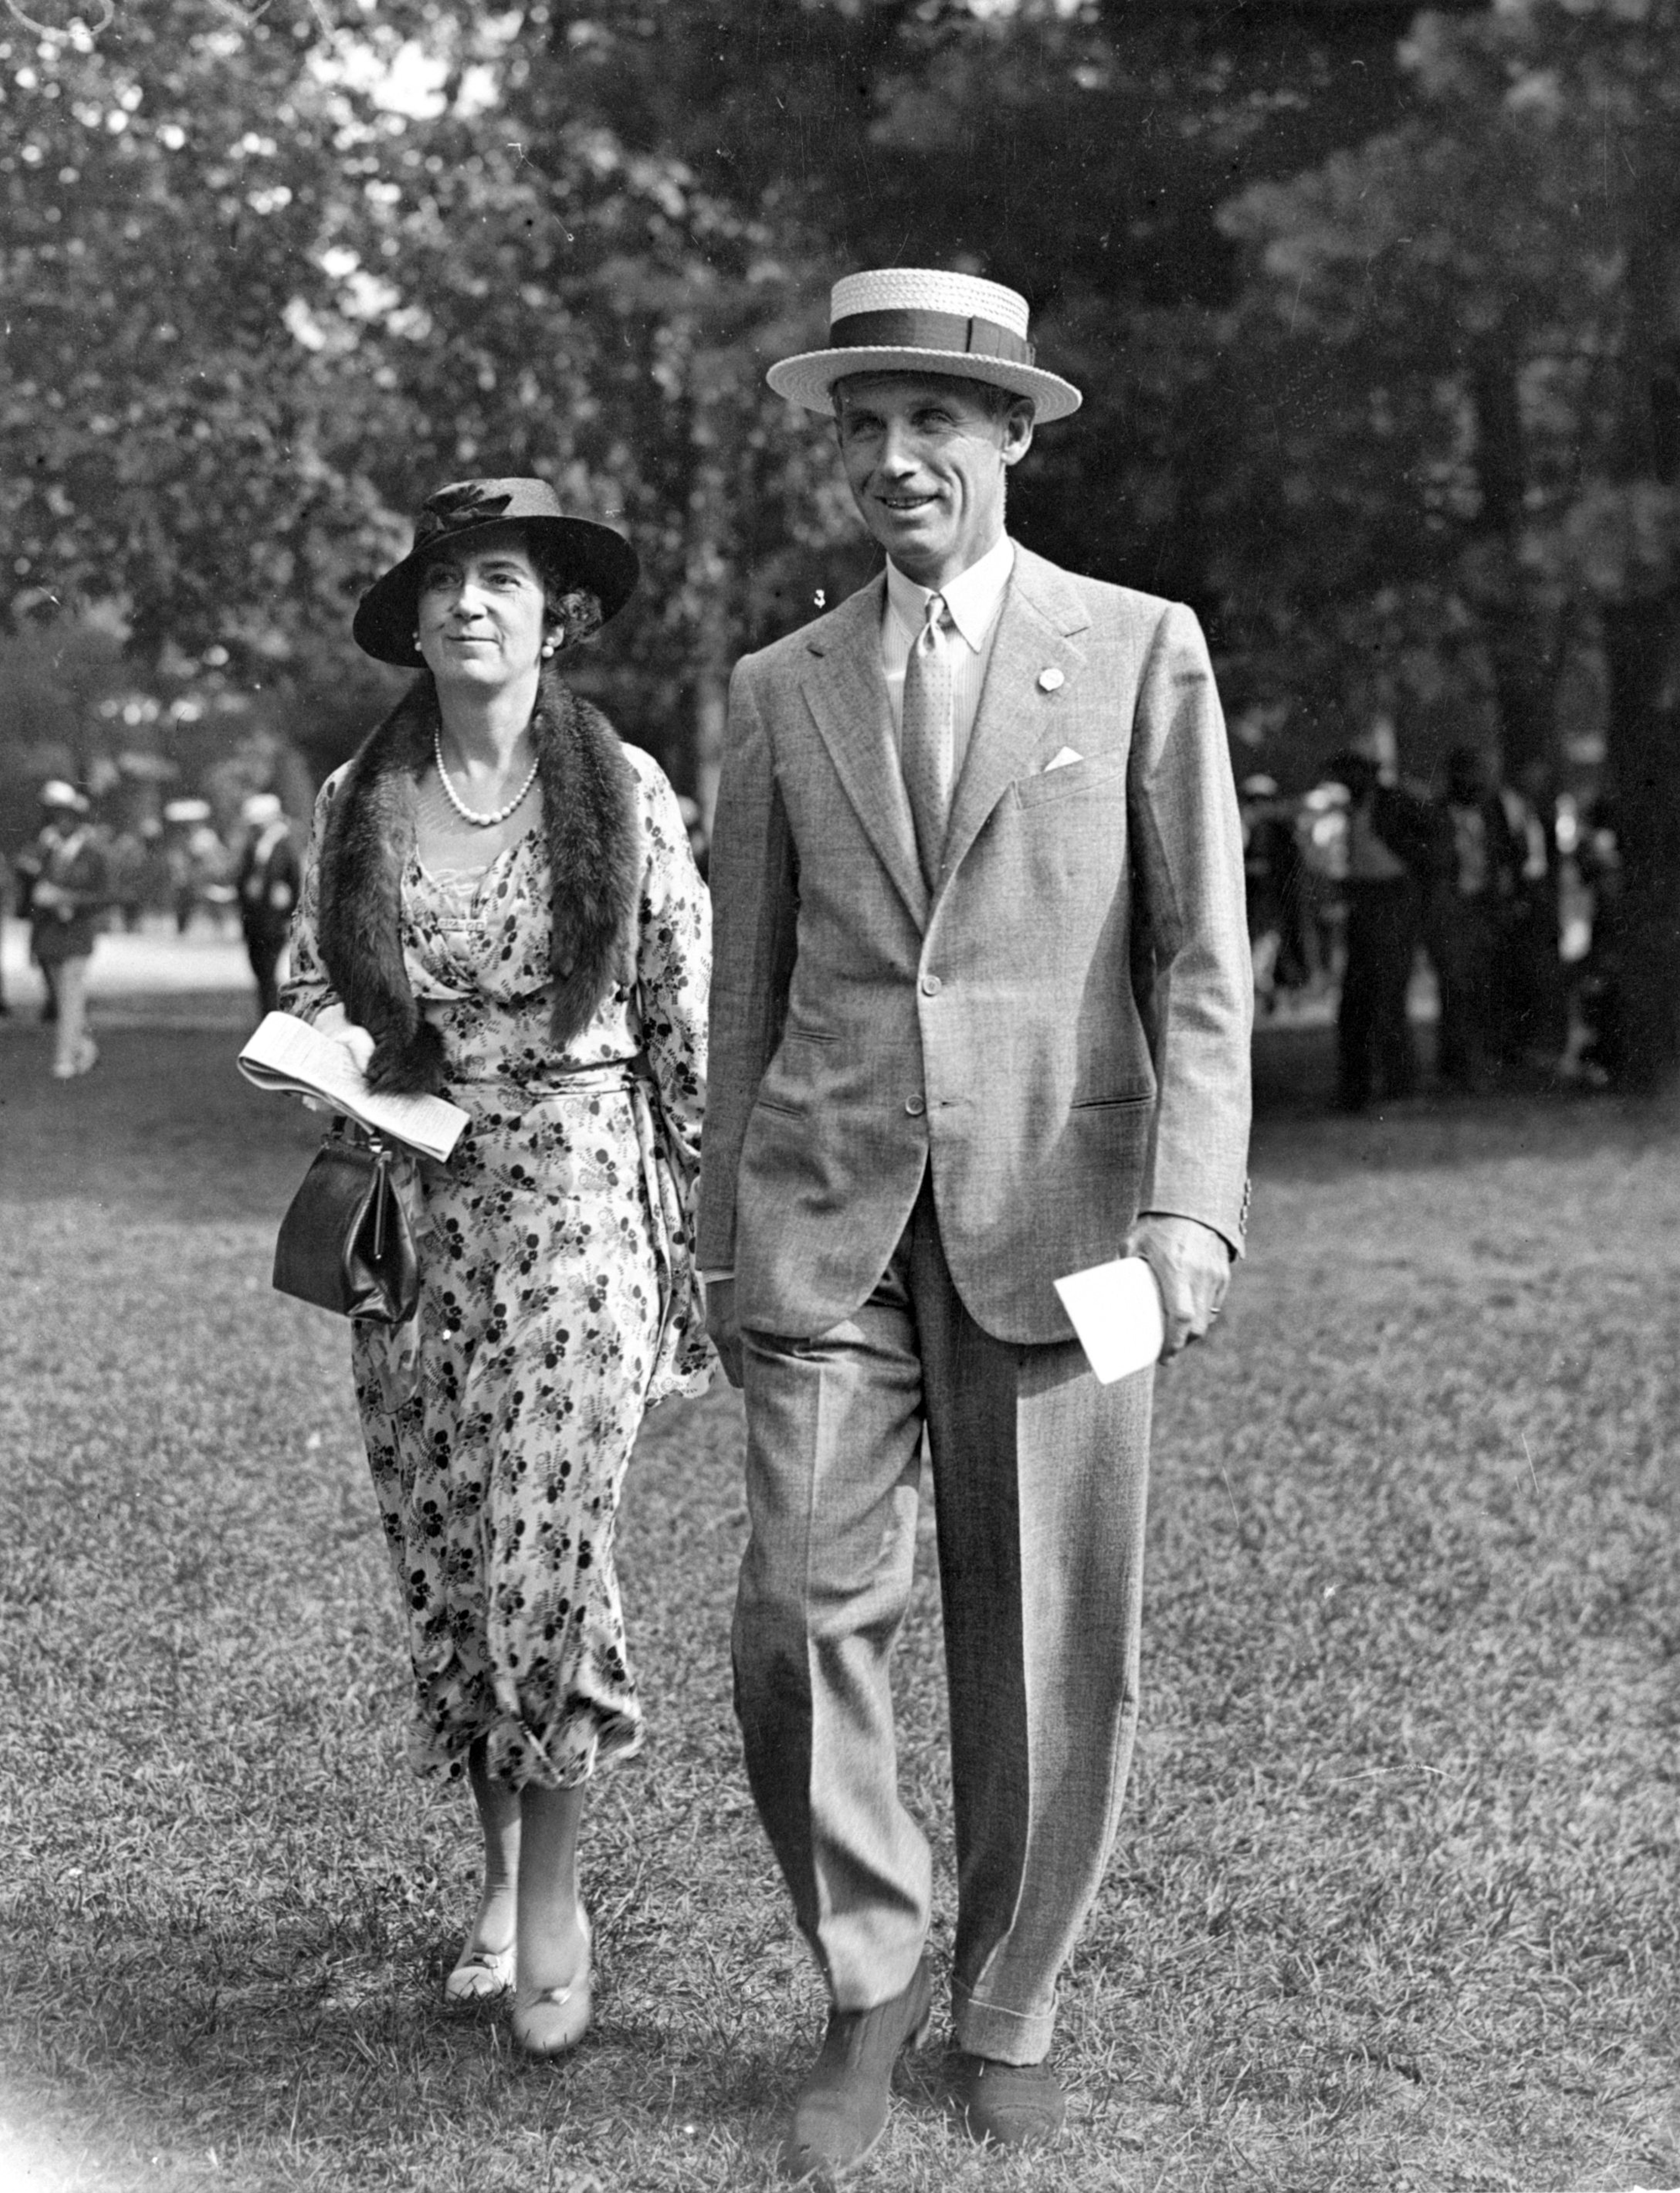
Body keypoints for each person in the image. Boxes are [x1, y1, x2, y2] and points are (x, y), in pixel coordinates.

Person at [698, 269, 1252, 2177]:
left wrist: (1192, 1206)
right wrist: (720, 1239)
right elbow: (744, 986)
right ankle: (870, 1970)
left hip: (1071, 1210)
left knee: (1053, 1630)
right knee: (790, 1614)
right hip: (825, 1214)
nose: (893, 458)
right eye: (862, 424)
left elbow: (1201, 961)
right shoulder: (779, 689)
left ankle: (1007, 1994)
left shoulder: (1139, 647)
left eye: (934, 418)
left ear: (1013, 433)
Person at [282, 476, 712, 2057]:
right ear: (413, 617)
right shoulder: (358, 801)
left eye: (503, 580)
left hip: (582, 1202)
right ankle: (493, 1878)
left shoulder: (624, 789)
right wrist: (314, 1049)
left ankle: (552, 1908)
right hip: (417, 1207)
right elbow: (315, 985)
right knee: (454, 1556)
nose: (470, 605)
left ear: (555, 616)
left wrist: (705, 1231)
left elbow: (683, 1013)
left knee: (547, 1544)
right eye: (446, 581)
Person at [1324, 746, 1436, 1112]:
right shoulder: (1353, 809)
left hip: (1394, 901)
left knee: (1389, 997)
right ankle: (1357, 1089)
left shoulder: (1396, 803)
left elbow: (1423, 849)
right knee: (1357, 999)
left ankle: (1399, 1086)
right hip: (1365, 901)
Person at [20, 780, 108, 1078]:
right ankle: (83, 1048)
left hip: (77, 933)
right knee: (64, 998)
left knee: (71, 996)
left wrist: (66, 900)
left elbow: (104, 896)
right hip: (50, 936)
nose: (62, 823)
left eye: (67, 817)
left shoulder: (93, 853)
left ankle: (65, 1059)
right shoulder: (48, 849)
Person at [235, 791, 301, 1018]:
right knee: (261, 971)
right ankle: (267, 1016)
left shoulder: (286, 845)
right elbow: (243, 878)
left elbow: (295, 883)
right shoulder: (255, 845)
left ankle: (273, 1018)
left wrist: (289, 912)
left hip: (275, 921)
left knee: (271, 973)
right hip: (256, 919)